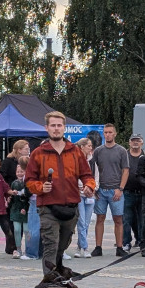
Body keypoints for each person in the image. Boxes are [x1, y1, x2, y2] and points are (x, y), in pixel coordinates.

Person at [25, 111, 96, 273]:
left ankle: (57, 275)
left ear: (64, 128)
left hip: (71, 207)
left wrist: (89, 186)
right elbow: (29, 180)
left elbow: (87, 175)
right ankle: (49, 282)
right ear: (47, 128)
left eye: (59, 125)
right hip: (48, 208)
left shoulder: (75, 151)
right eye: (53, 125)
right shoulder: (38, 153)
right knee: (51, 245)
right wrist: (40, 187)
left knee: (62, 246)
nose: (56, 128)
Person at [91, 123, 129, 257]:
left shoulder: (121, 151)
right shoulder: (98, 151)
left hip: (116, 190)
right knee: (99, 218)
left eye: (110, 132)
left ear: (115, 134)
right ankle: (98, 247)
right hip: (101, 190)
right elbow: (92, 169)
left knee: (118, 219)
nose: (108, 135)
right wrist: (94, 187)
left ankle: (119, 247)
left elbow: (125, 171)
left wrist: (120, 188)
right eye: (106, 132)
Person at [122, 133, 144, 251]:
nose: (135, 142)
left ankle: (141, 241)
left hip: (143, 193)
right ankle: (126, 242)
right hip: (127, 192)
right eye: (133, 140)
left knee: (142, 219)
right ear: (129, 142)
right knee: (126, 219)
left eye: (138, 140)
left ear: (142, 142)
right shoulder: (124, 155)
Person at [74, 137, 96, 258]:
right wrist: (78, 188)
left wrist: (93, 188)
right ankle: (85, 247)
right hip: (79, 194)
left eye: (91, 146)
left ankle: (79, 246)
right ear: (82, 147)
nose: (91, 148)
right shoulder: (75, 160)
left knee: (86, 222)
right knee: (81, 221)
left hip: (90, 195)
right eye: (89, 145)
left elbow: (96, 176)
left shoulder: (92, 161)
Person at [10, 159, 31, 259]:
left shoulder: (28, 183)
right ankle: (18, 249)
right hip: (16, 209)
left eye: (21, 171)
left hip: (26, 209)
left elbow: (28, 197)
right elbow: (12, 197)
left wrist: (25, 208)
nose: (19, 173)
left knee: (26, 230)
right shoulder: (14, 183)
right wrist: (9, 198)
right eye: (18, 172)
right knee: (17, 229)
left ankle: (27, 249)